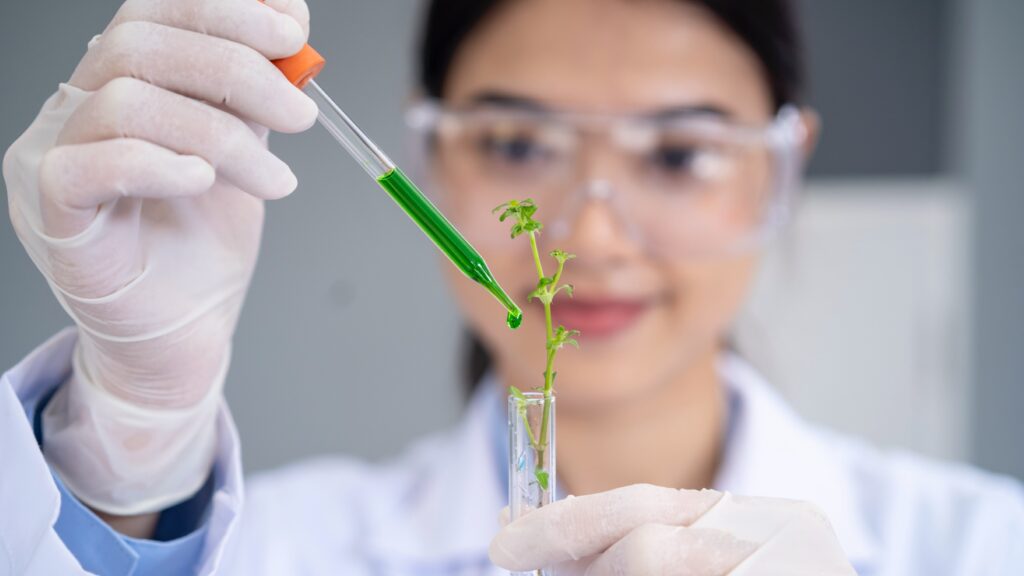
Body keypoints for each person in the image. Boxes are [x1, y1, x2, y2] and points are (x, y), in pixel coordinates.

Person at [2, 0, 1022, 574]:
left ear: (779, 168)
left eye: (678, 153)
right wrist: (127, 462)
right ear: (431, 154)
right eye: (520, 142)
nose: (588, 230)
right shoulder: (278, 549)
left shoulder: (978, 545)